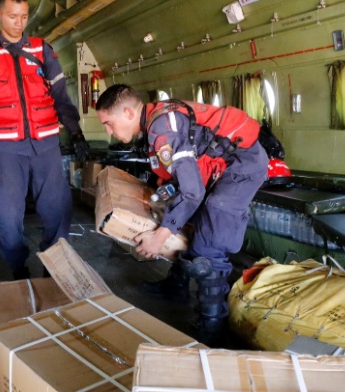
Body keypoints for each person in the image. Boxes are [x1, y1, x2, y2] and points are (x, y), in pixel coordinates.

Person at [95, 84, 268, 345]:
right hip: (218, 164)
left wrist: (159, 237)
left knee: (209, 245)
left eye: (109, 123)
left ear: (129, 113)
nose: (108, 131)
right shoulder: (153, 119)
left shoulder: (162, 129)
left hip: (242, 165)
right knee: (186, 219)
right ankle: (176, 287)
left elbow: (192, 193)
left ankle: (214, 330)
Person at [0, 0, 90, 279]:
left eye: (24, 16)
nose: (18, 23)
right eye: (12, 16)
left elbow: (61, 96)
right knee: (7, 214)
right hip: (6, 148)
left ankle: (52, 267)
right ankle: (17, 266)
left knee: (57, 209)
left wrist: (76, 132)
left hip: (45, 143)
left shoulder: (42, 50)